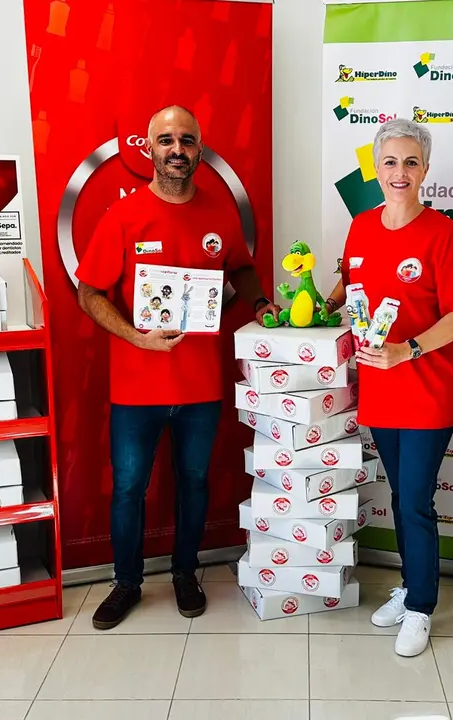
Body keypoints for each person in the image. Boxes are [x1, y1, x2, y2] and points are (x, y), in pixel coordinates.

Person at [75, 106, 279, 629]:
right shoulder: (122, 215)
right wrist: (134, 338)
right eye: (165, 140)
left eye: (186, 140)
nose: (177, 150)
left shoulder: (219, 214)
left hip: (200, 386)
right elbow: (89, 292)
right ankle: (126, 583)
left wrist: (260, 305)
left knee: (194, 482)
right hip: (136, 386)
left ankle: (186, 572)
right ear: (149, 148)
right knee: (128, 488)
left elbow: (242, 268)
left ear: (199, 147)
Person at [323, 118, 453, 657]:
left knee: (414, 499)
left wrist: (407, 350)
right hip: (380, 388)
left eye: (410, 162)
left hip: (427, 389)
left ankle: (421, 608)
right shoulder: (362, 227)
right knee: (399, 494)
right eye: (390, 162)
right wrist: (318, 303)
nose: (399, 172)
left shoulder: (443, 234)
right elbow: (352, 288)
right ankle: (413, 585)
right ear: (377, 168)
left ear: (425, 171)